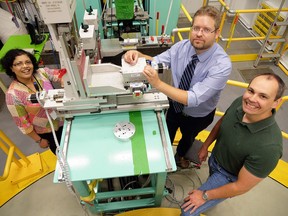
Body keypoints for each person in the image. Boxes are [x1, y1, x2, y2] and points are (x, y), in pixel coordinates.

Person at [124, 6, 232, 168]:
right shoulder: (181, 47)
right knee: (166, 132)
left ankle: (181, 155)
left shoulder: (222, 65)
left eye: (206, 29)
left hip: (198, 115)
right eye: (196, 28)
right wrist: (138, 56)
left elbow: (193, 98)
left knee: (188, 138)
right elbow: (157, 62)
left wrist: (158, 84)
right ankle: (164, 156)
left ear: (217, 33)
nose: (199, 33)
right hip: (174, 105)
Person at [181, 72, 286, 216]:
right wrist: (206, 146)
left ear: (276, 102)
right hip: (215, 159)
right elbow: (223, 122)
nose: (252, 99)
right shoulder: (241, 103)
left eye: (263, 96)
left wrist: (204, 195)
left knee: (187, 210)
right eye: (251, 91)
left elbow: (240, 187)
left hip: (228, 177)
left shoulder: (269, 147)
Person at [1, 49, 64, 155]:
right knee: (62, 154)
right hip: (47, 131)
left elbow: (61, 73)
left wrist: (63, 82)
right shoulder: (13, 95)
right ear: (11, 68)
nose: (25, 66)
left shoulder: (41, 73)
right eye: (18, 64)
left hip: (63, 119)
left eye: (28, 62)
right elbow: (23, 124)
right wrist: (39, 140)